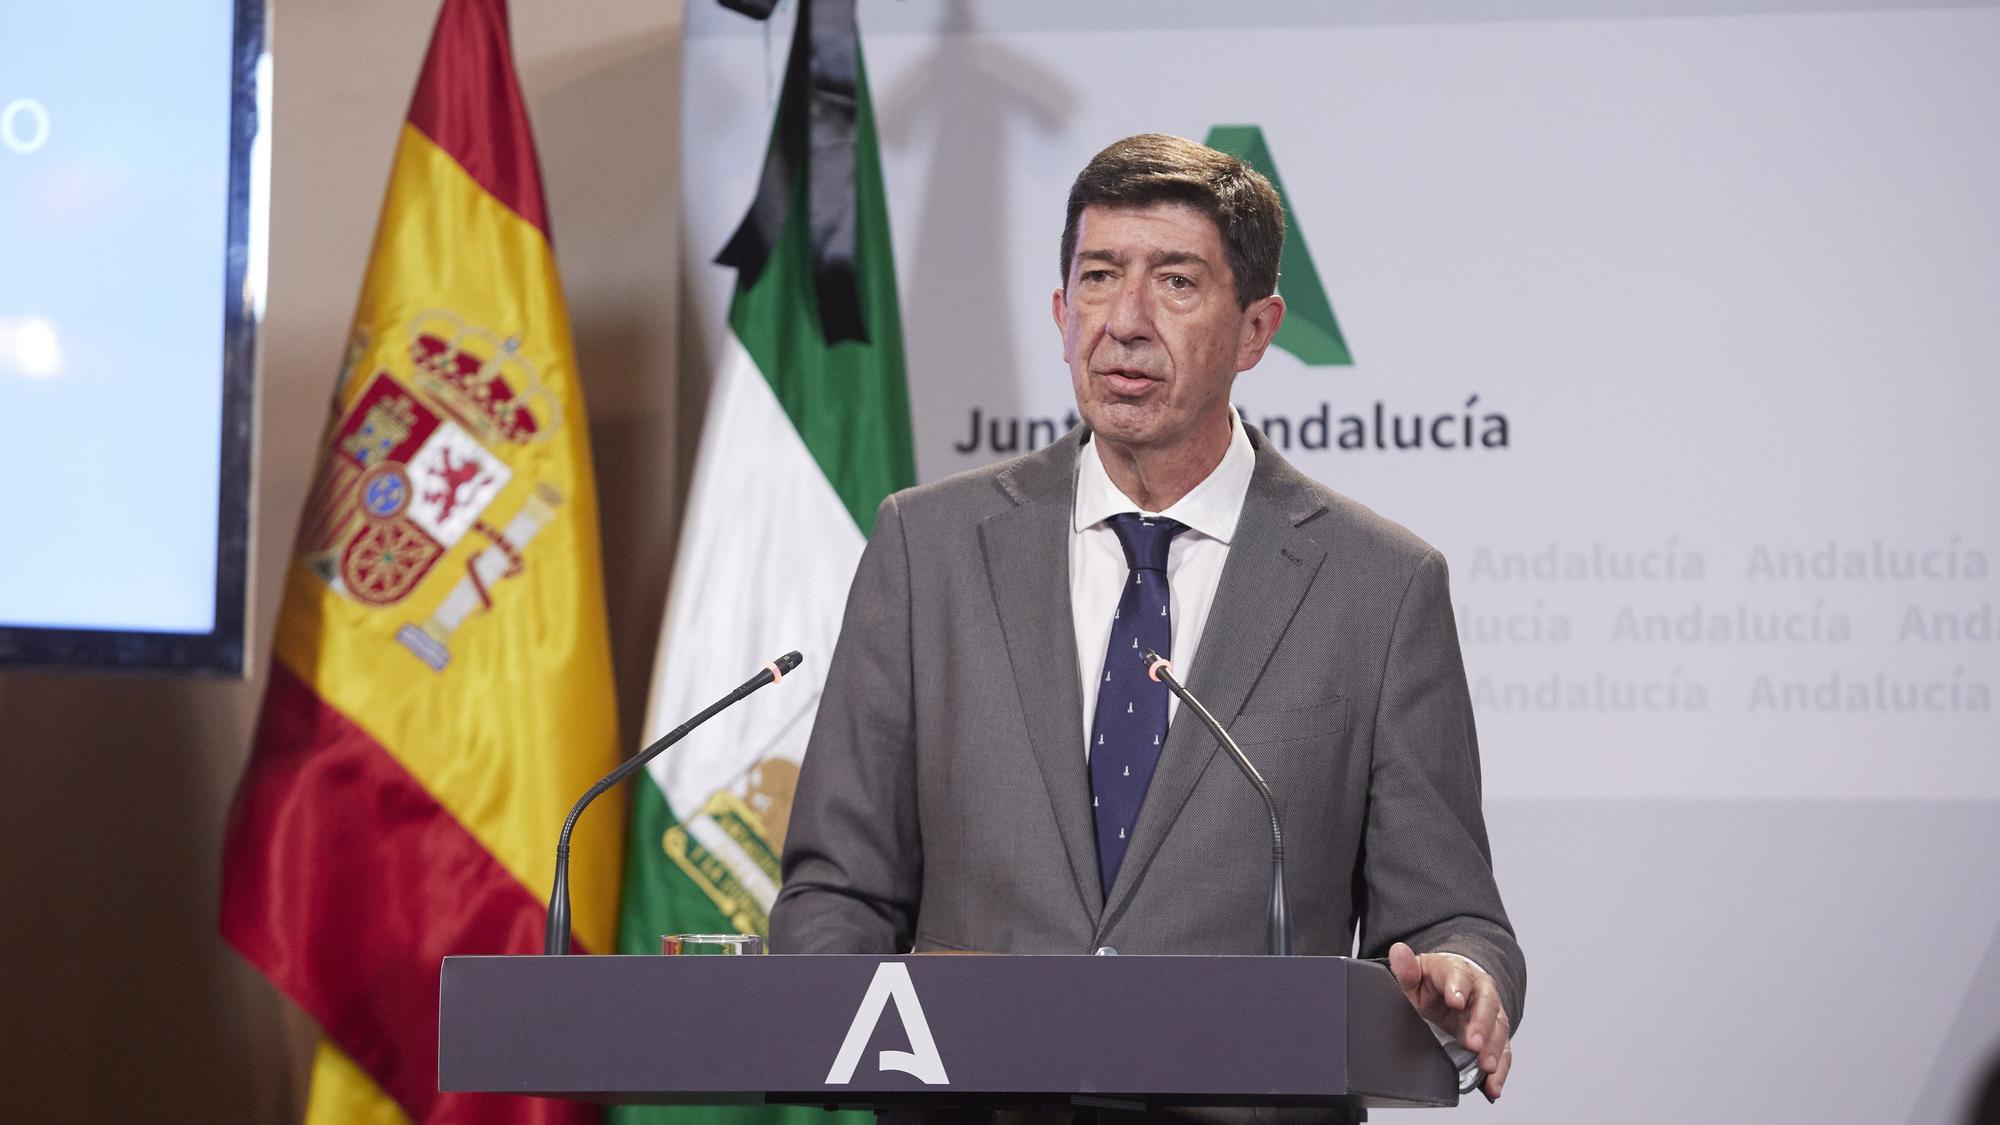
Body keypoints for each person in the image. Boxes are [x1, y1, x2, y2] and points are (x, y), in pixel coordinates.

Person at [771, 133, 1522, 1107]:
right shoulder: (929, 547)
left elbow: (1454, 918)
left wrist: (1465, 981)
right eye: (1097, 277)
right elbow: (836, 892)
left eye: (1173, 282)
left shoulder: (1375, 586)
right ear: (1057, 309)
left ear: (1257, 331)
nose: (1122, 322)